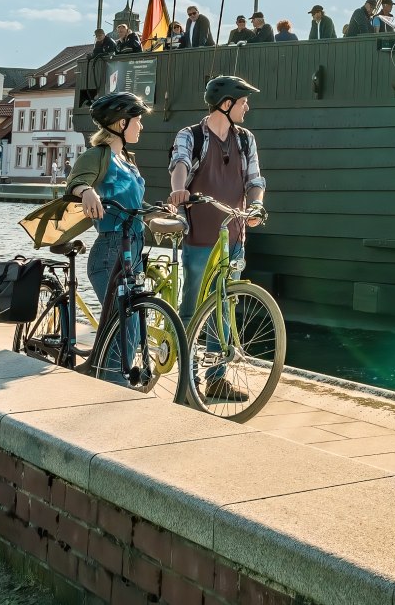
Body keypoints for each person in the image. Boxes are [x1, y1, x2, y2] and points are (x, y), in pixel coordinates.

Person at [168, 75, 266, 402]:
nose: (247, 107)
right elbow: (179, 164)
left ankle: (217, 379)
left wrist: (257, 205)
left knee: (224, 307)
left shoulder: (245, 140)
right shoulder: (192, 136)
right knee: (193, 306)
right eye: (243, 102)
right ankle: (187, 374)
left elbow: (255, 179)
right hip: (199, 236)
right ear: (226, 104)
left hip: (234, 236)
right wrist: (178, 189)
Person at [66, 91, 150, 305]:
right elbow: (75, 182)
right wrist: (87, 191)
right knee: (123, 326)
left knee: (136, 329)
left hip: (134, 247)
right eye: (138, 121)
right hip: (111, 251)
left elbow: (132, 204)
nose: (141, 127)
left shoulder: (127, 159)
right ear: (122, 123)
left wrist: (158, 212)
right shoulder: (97, 155)